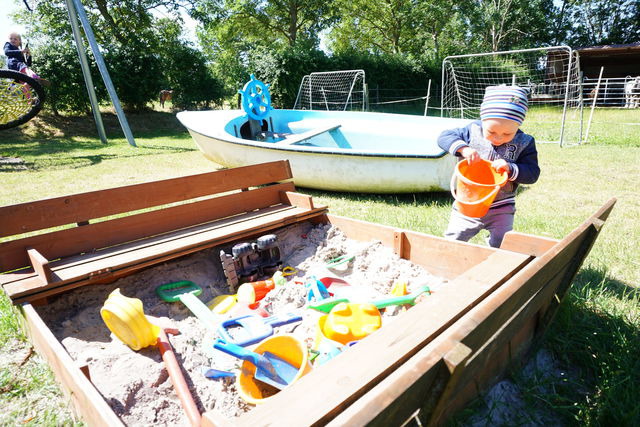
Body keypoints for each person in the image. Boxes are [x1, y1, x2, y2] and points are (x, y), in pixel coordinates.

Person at [437, 85, 540, 248]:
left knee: (502, 243)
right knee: (453, 239)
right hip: (468, 202)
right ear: (483, 119)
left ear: (518, 125)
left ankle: (494, 263)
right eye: (491, 131)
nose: (498, 138)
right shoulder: (472, 130)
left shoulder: (525, 142)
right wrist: (464, 149)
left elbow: (533, 173)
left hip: (502, 207)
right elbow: (444, 137)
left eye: (508, 134)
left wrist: (511, 168)